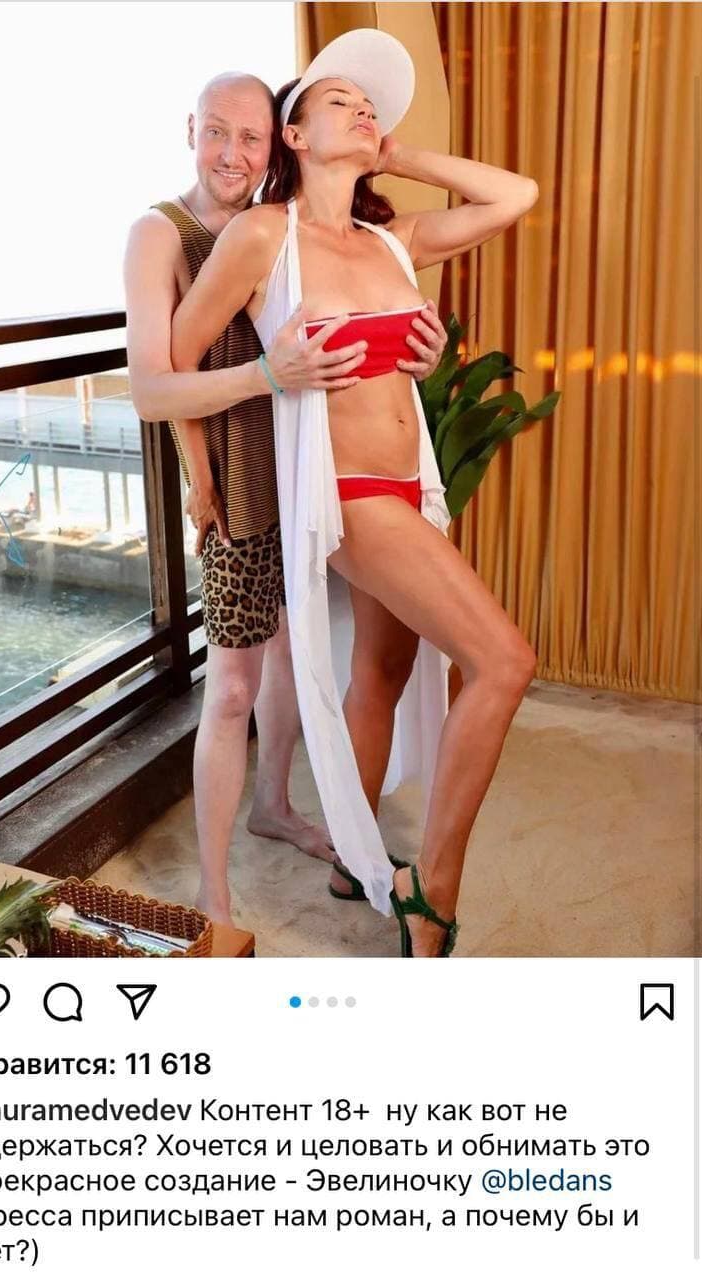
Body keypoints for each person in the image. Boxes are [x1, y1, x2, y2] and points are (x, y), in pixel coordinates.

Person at [169, 29, 540, 957]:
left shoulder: (390, 241)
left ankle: (352, 856)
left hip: (411, 486)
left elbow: (516, 196)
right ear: (294, 135)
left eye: (370, 107)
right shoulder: (264, 235)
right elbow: (179, 355)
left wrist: (397, 156)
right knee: (504, 662)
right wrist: (207, 465)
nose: (365, 111)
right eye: (342, 102)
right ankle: (429, 889)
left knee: (384, 668)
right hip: (346, 495)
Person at [123, 69, 447, 927]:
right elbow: (155, 385)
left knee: (291, 665)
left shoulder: (288, 226)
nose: (231, 153)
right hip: (238, 480)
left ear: (277, 146)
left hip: (308, 473)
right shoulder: (163, 234)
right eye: (215, 132)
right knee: (232, 687)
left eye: (250, 137)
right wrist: (203, 469)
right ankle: (214, 891)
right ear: (190, 130)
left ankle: (273, 804)